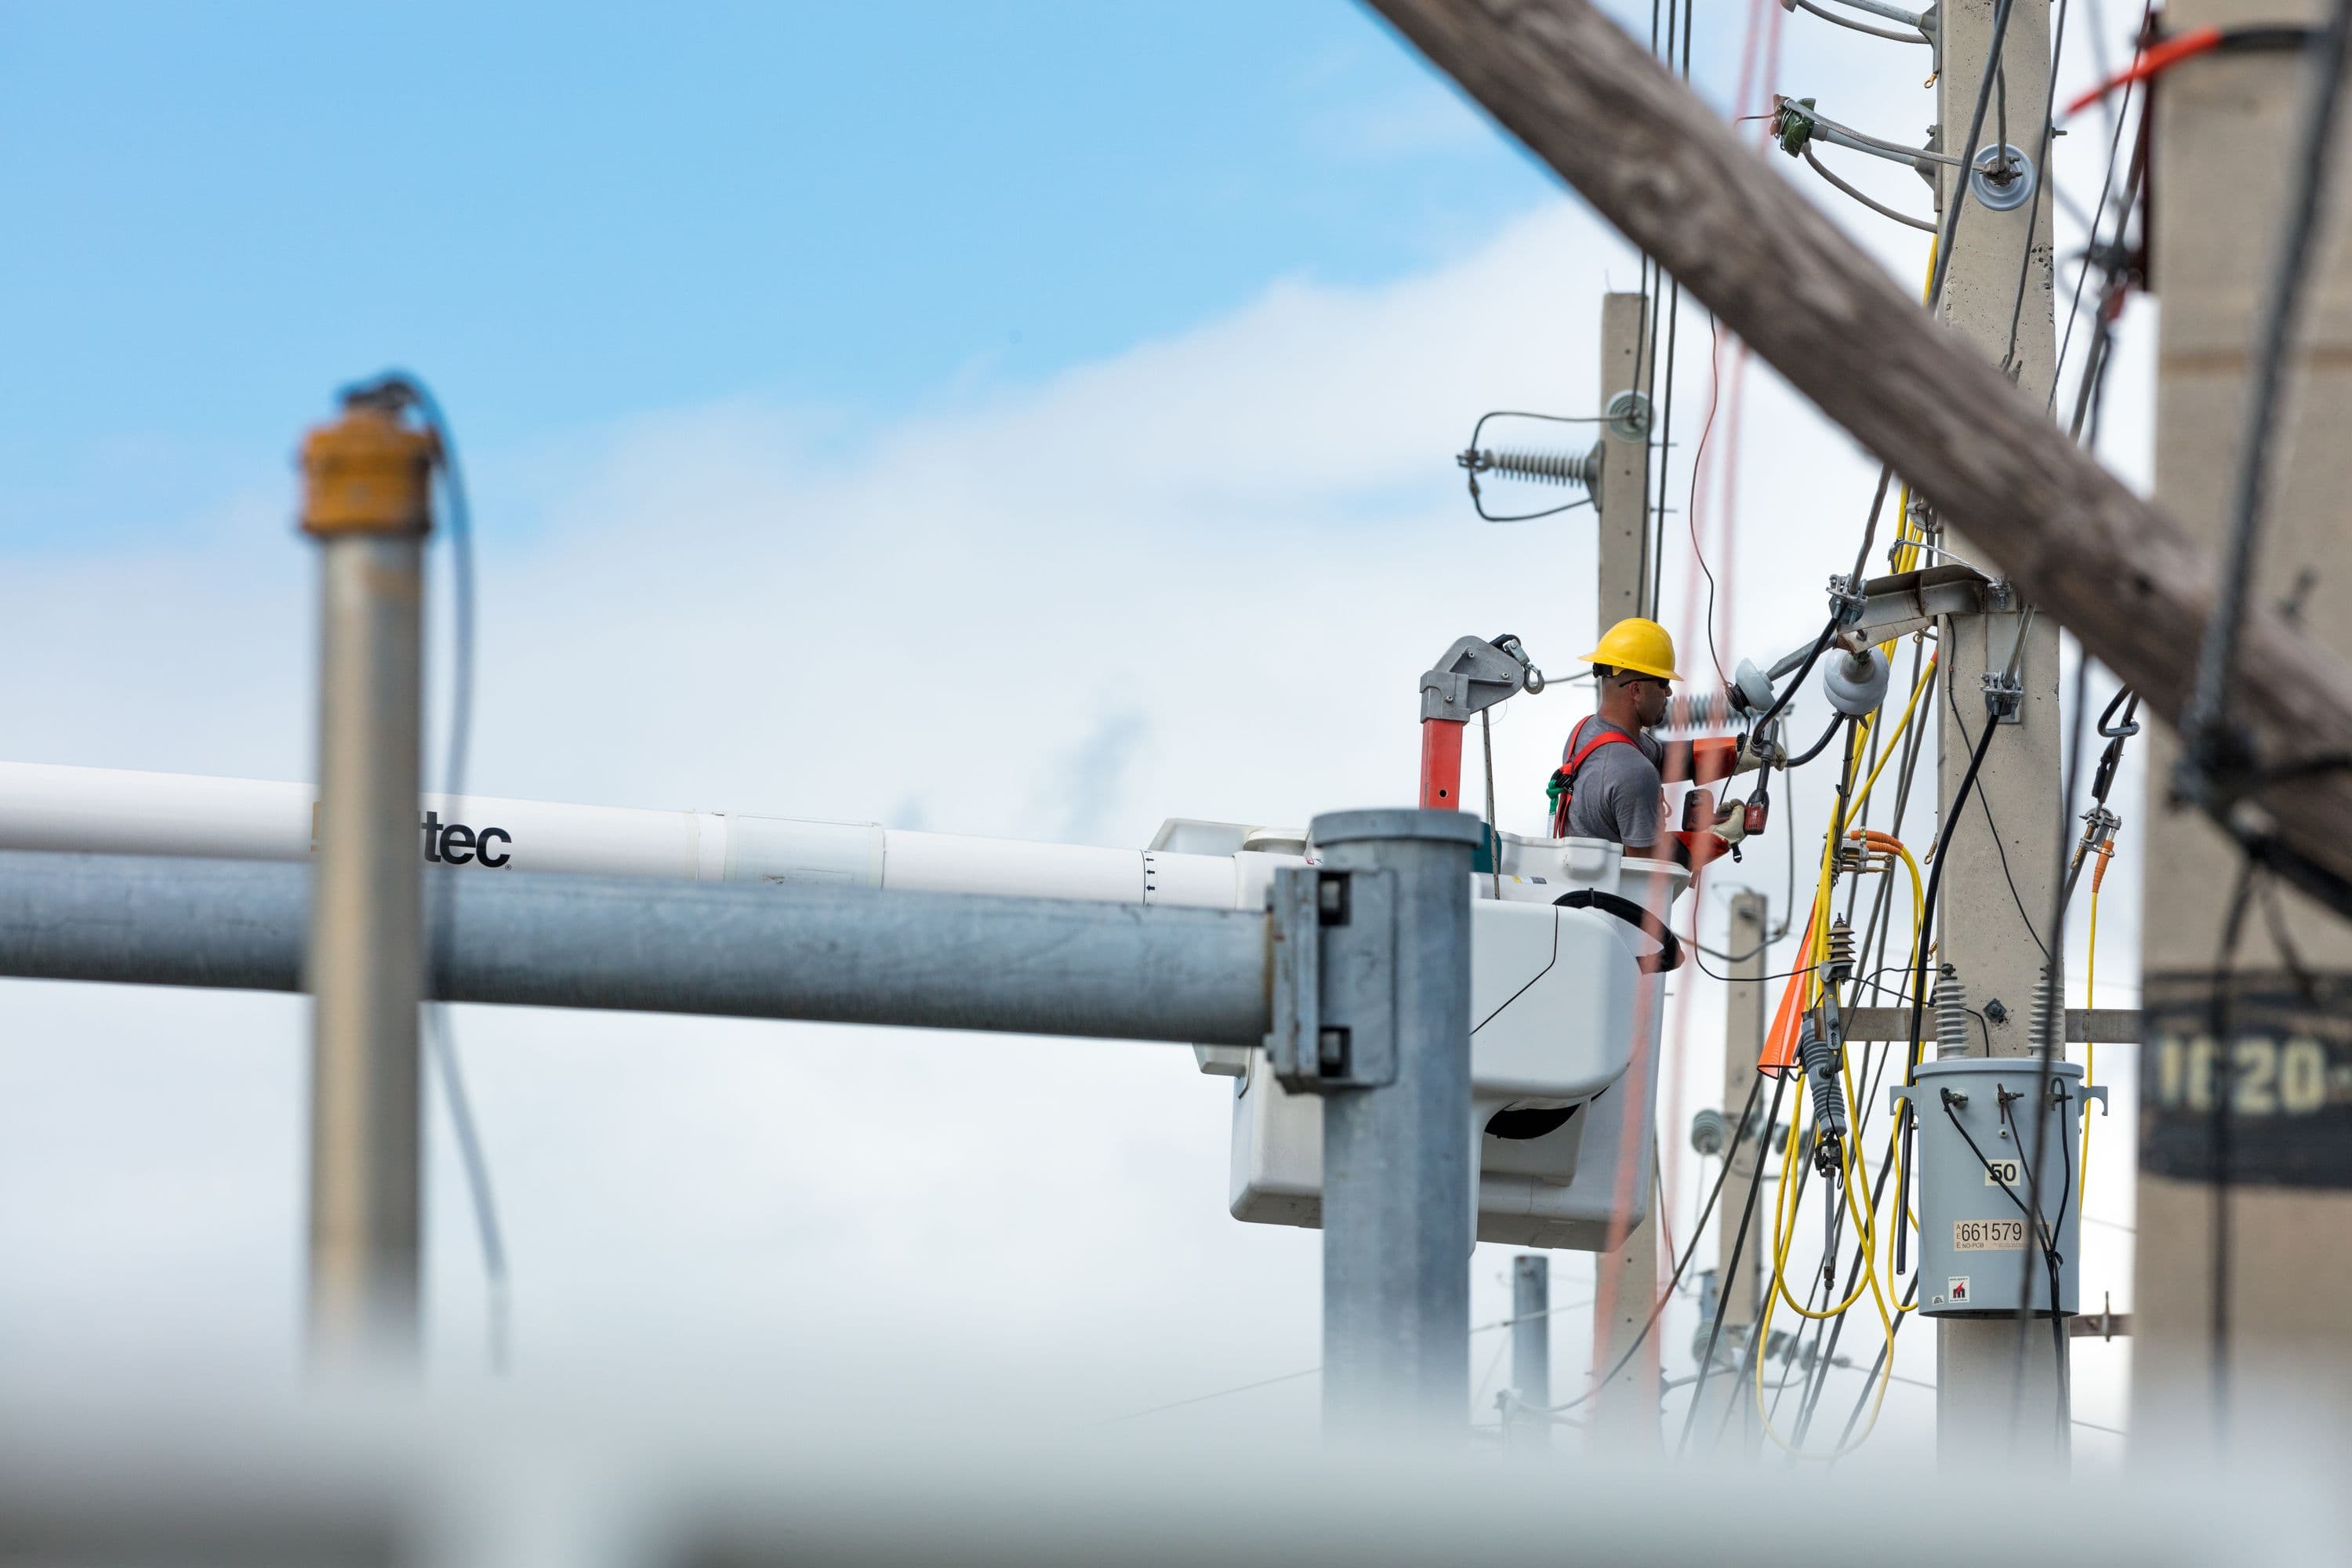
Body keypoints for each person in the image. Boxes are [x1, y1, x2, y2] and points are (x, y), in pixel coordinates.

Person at [1548, 617, 1747, 862]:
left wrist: (1739, 754)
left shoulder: (1587, 732)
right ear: (1636, 690)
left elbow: (1663, 758)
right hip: (1611, 898)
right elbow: (1648, 870)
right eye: (1663, 683)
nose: (1669, 692)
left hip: (1578, 886)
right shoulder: (1633, 771)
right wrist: (1717, 838)